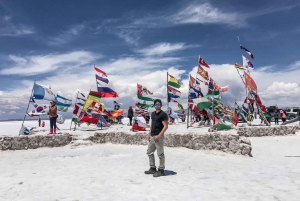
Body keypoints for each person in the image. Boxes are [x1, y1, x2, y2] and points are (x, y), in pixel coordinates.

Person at [145, 99, 168, 177]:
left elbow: (165, 126)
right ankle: (153, 168)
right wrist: (149, 132)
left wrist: (159, 135)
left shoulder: (163, 114)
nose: (157, 106)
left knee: (160, 154)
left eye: (159, 104)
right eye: (156, 104)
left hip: (159, 136)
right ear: (154, 105)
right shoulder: (153, 114)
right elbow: (152, 124)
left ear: (161, 105)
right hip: (152, 136)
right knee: (149, 152)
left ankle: (161, 170)